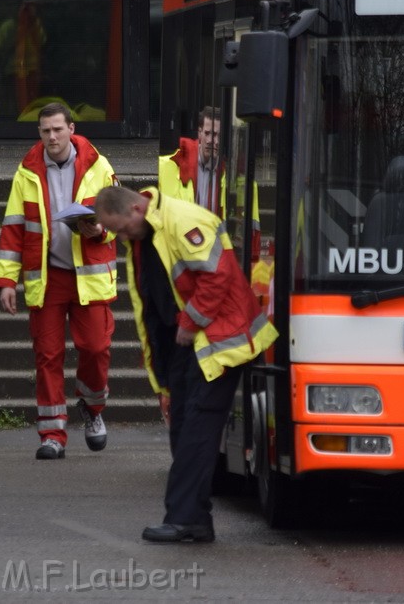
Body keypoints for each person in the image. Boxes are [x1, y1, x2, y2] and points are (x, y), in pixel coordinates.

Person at [93, 185, 278, 543]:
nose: (120, 238)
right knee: (185, 428)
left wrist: (190, 322)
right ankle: (193, 518)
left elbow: (218, 276)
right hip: (191, 343)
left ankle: (185, 518)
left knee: (196, 429)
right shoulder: (146, 231)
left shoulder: (183, 220)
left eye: (121, 229)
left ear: (136, 207)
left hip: (220, 341)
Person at [0, 101, 119, 460]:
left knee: (96, 350)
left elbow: (119, 218)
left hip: (90, 276)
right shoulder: (27, 171)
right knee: (47, 357)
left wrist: (99, 229)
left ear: (71, 129)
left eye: (57, 129)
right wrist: (6, 280)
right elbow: (14, 228)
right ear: (39, 132)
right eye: (45, 130)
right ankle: (52, 434)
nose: (52, 136)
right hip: (47, 277)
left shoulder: (99, 165)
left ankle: (93, 409)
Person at [158, 106, 261, 249]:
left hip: (212, 251)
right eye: (208, 133)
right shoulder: (169, 167)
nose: (213, 141)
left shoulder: (233, 180)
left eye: (218, 135)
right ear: (199, 133)